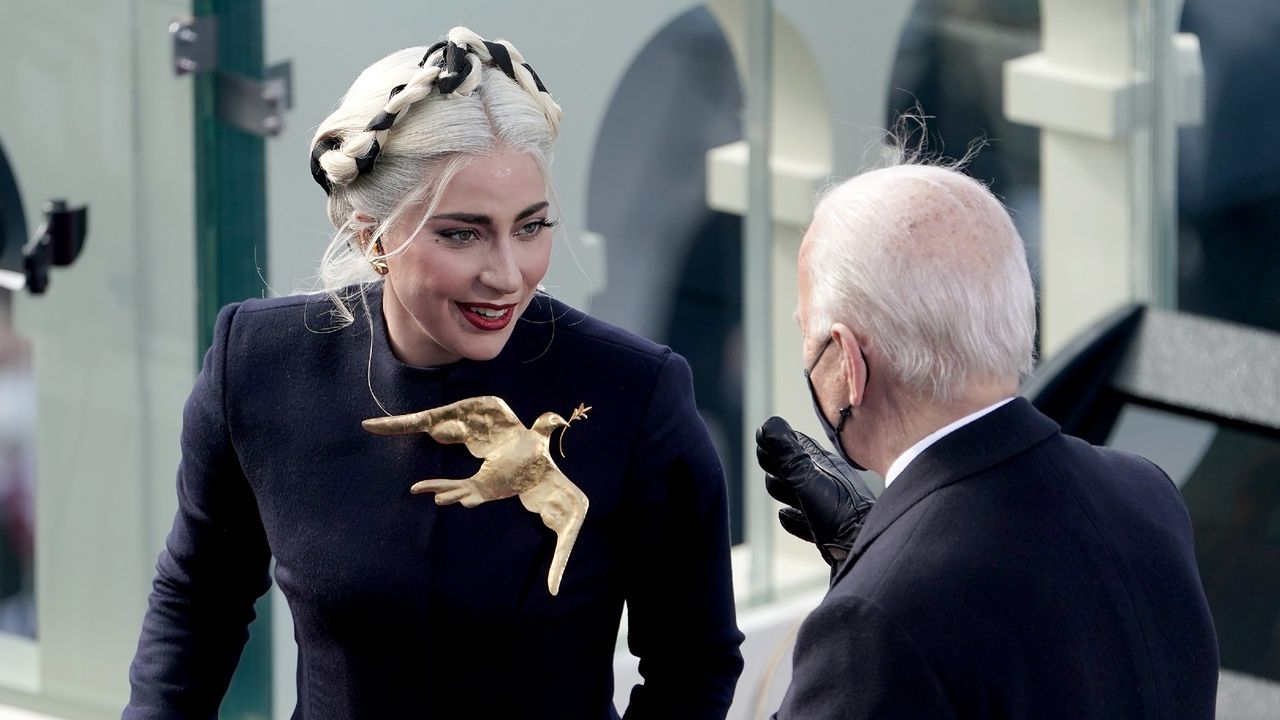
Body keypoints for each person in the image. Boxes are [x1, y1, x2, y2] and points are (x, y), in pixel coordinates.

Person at [124, 27, 743, 719]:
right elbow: (198, 603)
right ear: (370, 235)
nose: (507, 275)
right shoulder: (258, 363)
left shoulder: (635, 394)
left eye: (531, 227)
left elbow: (694, 661)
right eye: (462, 233)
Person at [755, 156, 1219, 718]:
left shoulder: (872, 622)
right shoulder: (1147, 496)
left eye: (809, 337)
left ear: (849, 363)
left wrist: (875, 575)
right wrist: (875, 548)